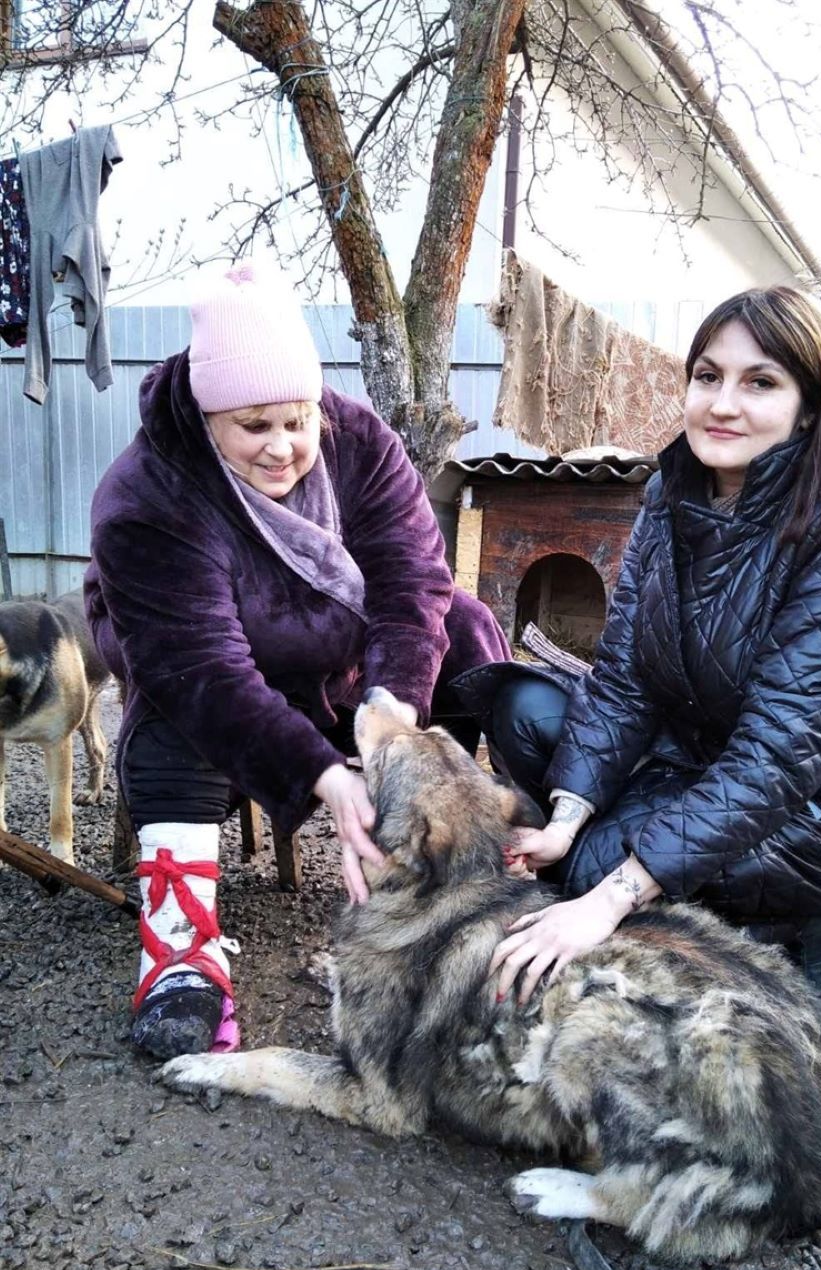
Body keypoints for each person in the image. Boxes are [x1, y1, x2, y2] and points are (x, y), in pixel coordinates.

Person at [456, 286, 821, 1021]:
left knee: (596, 877)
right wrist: (564, 821)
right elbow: (624, 679)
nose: (722, 404)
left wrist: (610, 897)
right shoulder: (669, 497)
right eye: (708, 376)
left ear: (810, 405)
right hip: (702, 753)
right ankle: (660, 877)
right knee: (524, 712)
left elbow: (775, 760)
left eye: (759, 382)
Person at [85, 261, 510, 1059]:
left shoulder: (360, 441)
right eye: (254, 428)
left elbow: (411, 577)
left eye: (297, 421)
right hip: (193, 652)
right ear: (210, 419)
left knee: (472, 630)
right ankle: (181, 949)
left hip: (330, 639)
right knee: (174, 717)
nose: (284, 448)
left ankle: (442, 885)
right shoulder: (147, 495)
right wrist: (326, 772)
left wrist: (388, 725)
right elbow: (203, 669)